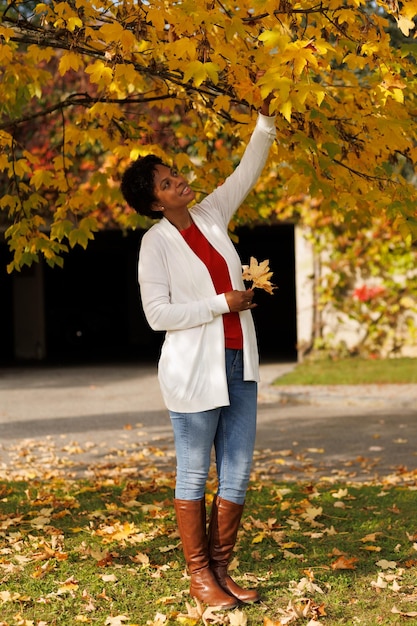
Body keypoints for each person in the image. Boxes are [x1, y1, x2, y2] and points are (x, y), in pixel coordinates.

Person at [120, 97, 276, 609]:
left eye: (174, 175)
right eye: (166, 183)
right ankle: (198, 577)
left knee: (236, 470)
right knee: (193, 472)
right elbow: (157, 315)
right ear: (155, 204)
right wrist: (219, 303)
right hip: (191, 373)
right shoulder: (155, 244)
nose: (179, 182)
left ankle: (222, 571)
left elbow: (245, 171)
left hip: (238, 362)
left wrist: (266, 120)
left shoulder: (210, 214)